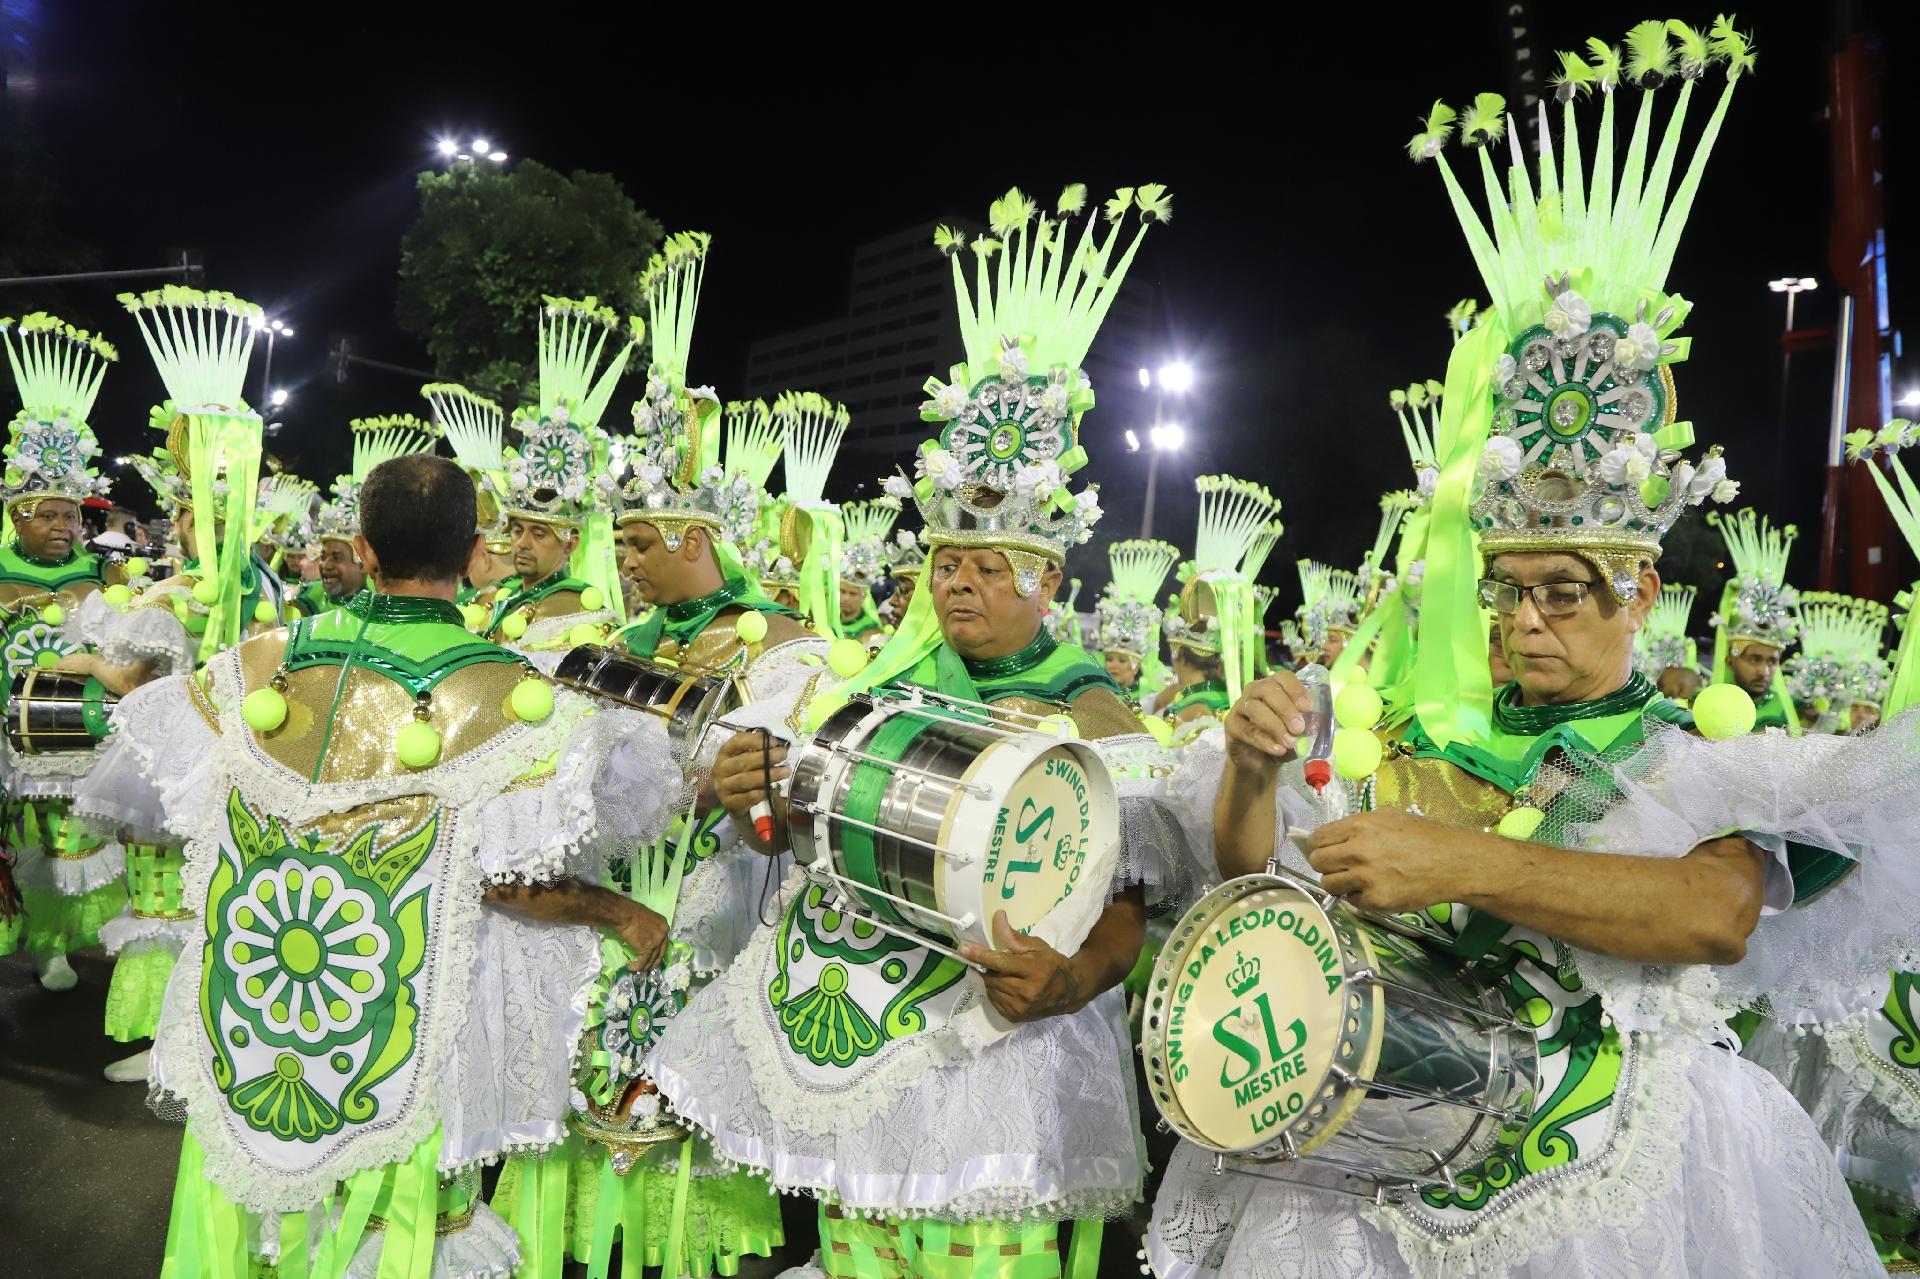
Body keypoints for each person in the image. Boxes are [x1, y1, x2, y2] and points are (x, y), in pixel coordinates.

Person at [1145, 25, 1897, 1275]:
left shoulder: (1703, 759)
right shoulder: (1431, 734)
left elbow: (1713, 914)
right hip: (1394, 1144)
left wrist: (1461, 858)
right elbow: (1260, 883)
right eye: (1507, 593)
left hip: (1627, 1171)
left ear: (1641, 590)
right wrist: (1251, 776)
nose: (1527, 620)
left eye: (1562, 590)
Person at [86, 453, 682, 1278]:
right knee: (418, 1230)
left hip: (268, 1018)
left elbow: (155, 807)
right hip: (417, 1019)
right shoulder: (525, 699)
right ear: (476, 553)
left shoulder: (255, 666)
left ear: (362, 550)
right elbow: (510, 879)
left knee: (291, 1223)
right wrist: (623, 912)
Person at [492, 244, 810, 1279]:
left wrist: (724, 784)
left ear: (693, 533)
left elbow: (781, 784)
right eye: (618, 543)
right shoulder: (607, 638)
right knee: (591, 1071)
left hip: (723, 900)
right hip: (619, 895)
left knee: (687, 1084)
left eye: (636, 542)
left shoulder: (785, 644)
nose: (619, 561)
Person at [0, 313, 131, 991]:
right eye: (48, 513)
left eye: (71, 513)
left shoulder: (97, 574)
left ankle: (81, 938)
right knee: (35, 848)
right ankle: (44, 946)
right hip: (16, 741)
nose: (63, 526)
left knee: (84, 841)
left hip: (85, 734)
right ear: (18, 516)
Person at [1709, 508, 1799, 730]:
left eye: (1772, 661)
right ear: (1731, 660)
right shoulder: (1707, 707)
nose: (1764, 672)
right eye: (1755, 659)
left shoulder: (1790, 715)